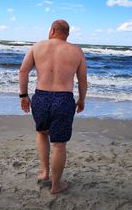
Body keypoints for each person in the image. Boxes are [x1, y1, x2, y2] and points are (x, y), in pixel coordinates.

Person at [19, 19, 87, 194]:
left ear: (52, 31)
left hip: (41, 97)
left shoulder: (37, 47)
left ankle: (44, 172)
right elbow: (82, 80)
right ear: (67, 34)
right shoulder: (76, 51)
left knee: (41, 133)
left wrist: (23, 95)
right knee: (59, 145)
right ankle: (56, 186)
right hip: (64, 99)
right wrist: (81, 100)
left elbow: (23, 71)